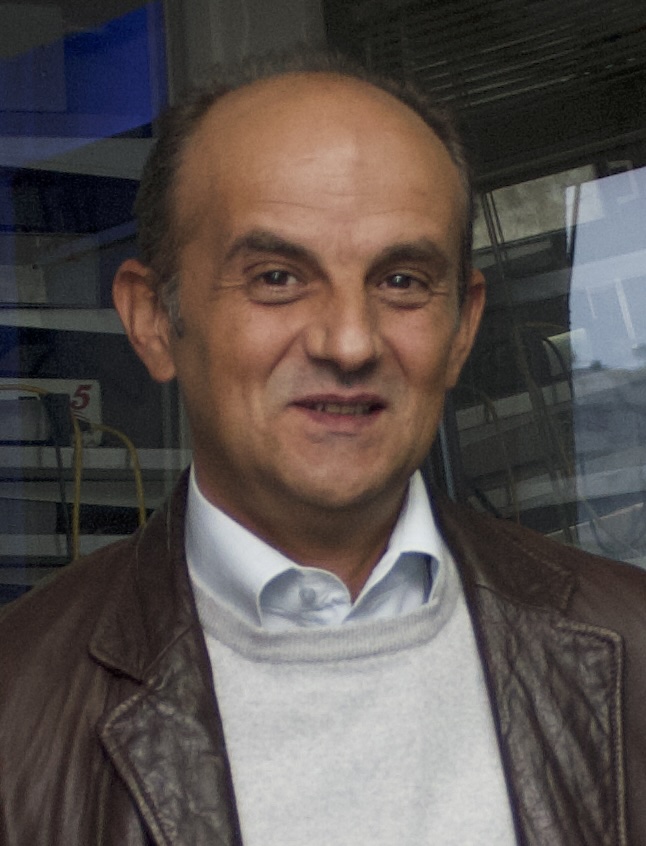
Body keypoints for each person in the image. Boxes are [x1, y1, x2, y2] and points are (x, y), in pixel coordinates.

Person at [1, 52, 645, 846]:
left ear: (462, 328)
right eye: (277, 276)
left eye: (401, 280)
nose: (349, 341)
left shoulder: (635, 649)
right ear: (154, 320)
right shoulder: (15, 712)